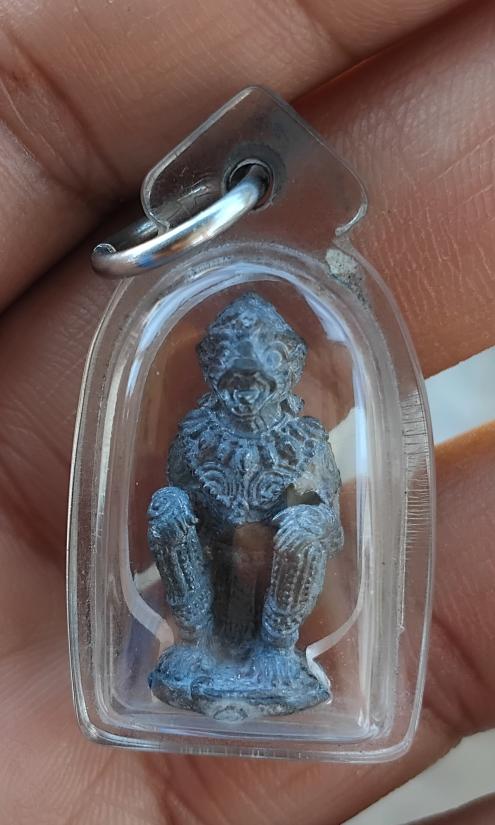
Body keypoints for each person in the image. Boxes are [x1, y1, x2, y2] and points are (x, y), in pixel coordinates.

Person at [0, 1, 494, 823]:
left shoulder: (299, 435)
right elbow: (177, 501)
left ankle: (273, 653)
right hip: (207, 576)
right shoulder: (197, 430)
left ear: (289, 371)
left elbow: (321, 514)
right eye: (230, 369)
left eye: (262, 370)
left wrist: (290, 527)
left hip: (283, 580)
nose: (245, 383)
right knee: (167, 505)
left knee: (301, 528)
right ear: (209, 373)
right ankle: (197, 645)